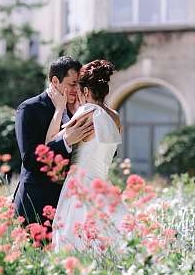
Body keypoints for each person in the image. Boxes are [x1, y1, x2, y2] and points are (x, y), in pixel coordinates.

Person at [50, 60, 129, 251]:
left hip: (79, 185)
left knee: (74, 239)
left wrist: (59, 109)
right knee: (104, 238)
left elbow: (51, 142)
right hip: (102, 185)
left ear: (85, 92)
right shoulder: (115, 117)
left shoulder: (85, 113)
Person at [13, 56, 94, 225]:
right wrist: (66, 141)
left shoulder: (78, 109)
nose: (77, 89)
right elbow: (30, 160)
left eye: (79, 84)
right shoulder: (30, 109)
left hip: (71, 206)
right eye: (72, 84)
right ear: (55, 81)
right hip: (36, 203)